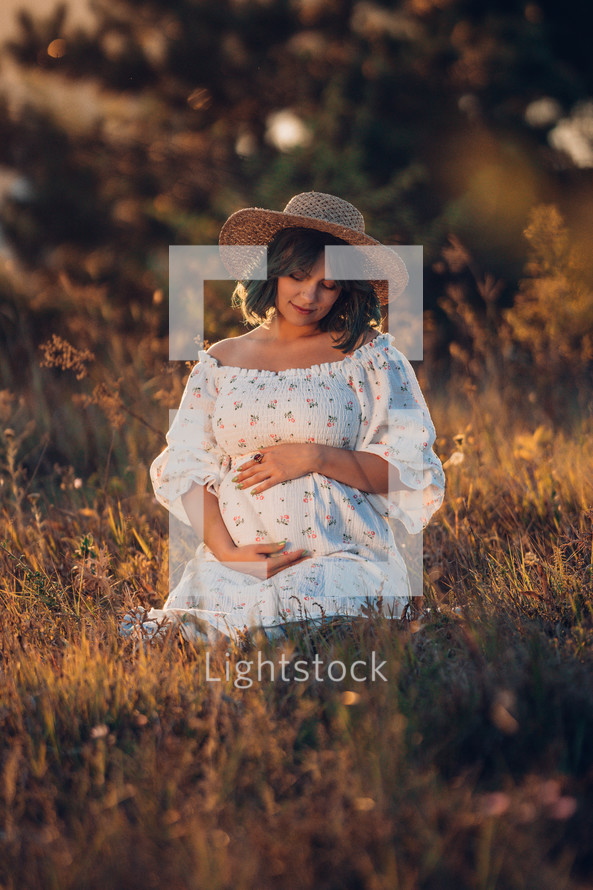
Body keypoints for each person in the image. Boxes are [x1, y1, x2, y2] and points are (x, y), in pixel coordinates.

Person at [135, 192, 445, 644]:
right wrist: (229, 554)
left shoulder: (371, 358)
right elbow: (187, 467)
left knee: (309, 630)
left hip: (344, 557)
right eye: (298, 275)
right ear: (273, 270)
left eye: (330, 283)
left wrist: (315, 456)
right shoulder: (221, 362)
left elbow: (406, 472)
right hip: (239, 563)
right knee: (189, 638)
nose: (310, 295)